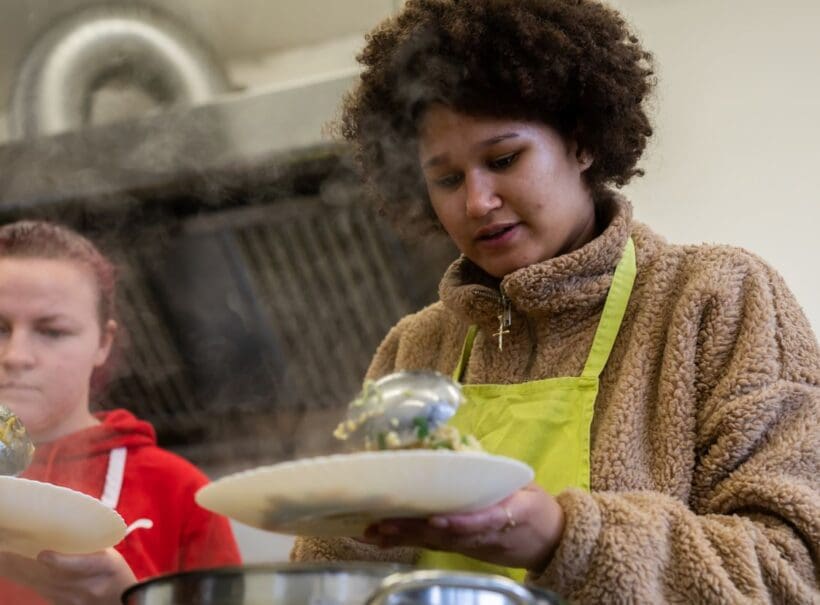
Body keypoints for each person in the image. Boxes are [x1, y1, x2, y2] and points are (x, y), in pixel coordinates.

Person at [290, 0, 820, 603]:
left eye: (503, 159)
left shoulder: (713, 298)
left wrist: (563, 539)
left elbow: (792, 571)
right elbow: (328, 583)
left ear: (582, 142)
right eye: (446, 179)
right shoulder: (414, 349)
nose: (477, 202)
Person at [0, 221, 241, 605]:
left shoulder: (180, 493)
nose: (16, 356)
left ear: (103, 343)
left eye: (53, 331)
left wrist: (128, 600)